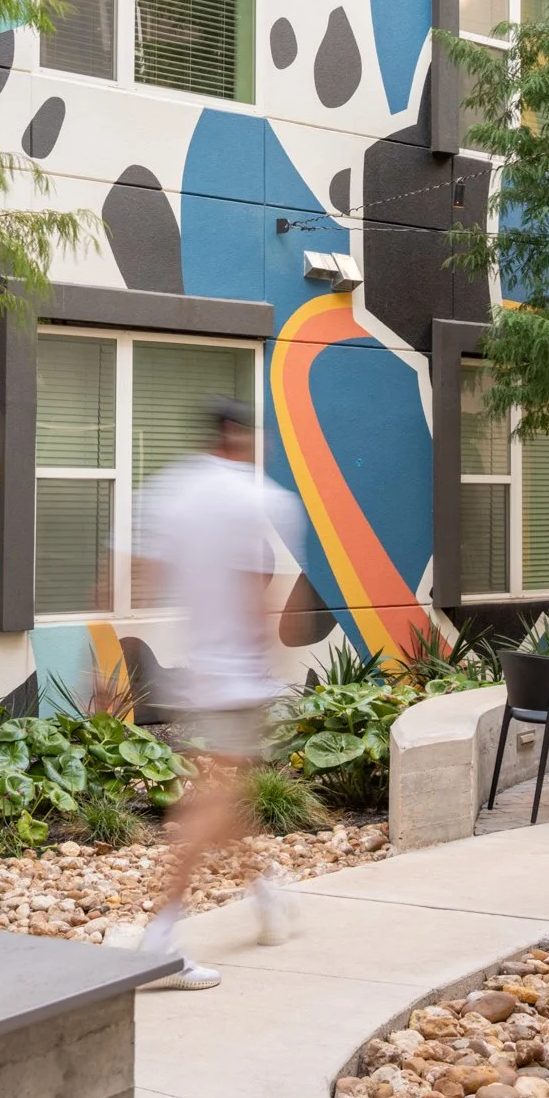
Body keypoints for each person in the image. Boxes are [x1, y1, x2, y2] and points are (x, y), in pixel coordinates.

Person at [137, 395, 302, 991]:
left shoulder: (168, 491)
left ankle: (264, 894)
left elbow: (133, 574)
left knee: (222, 796)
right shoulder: (260, 498)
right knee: (209, 804)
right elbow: (263, 590)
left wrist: (98, 672)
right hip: (237, 677)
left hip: (194, 673)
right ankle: (161, 937)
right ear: (236, 434)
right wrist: (266, 664)